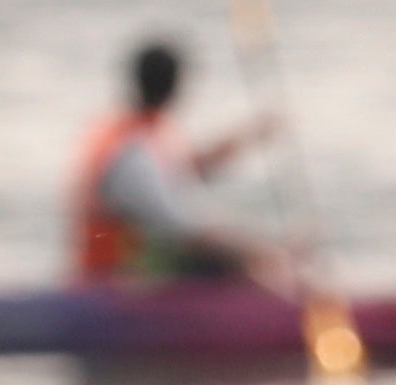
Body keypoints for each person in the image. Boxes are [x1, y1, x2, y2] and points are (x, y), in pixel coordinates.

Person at [68, 40, 278, 285]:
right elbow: (178, 228)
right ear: (177, 86)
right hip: (120, 284)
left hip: (133, 274)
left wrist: (248, 135)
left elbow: (191, 166)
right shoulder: (131, 153)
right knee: (239, 261)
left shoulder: (145, 132)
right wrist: (258, 252)